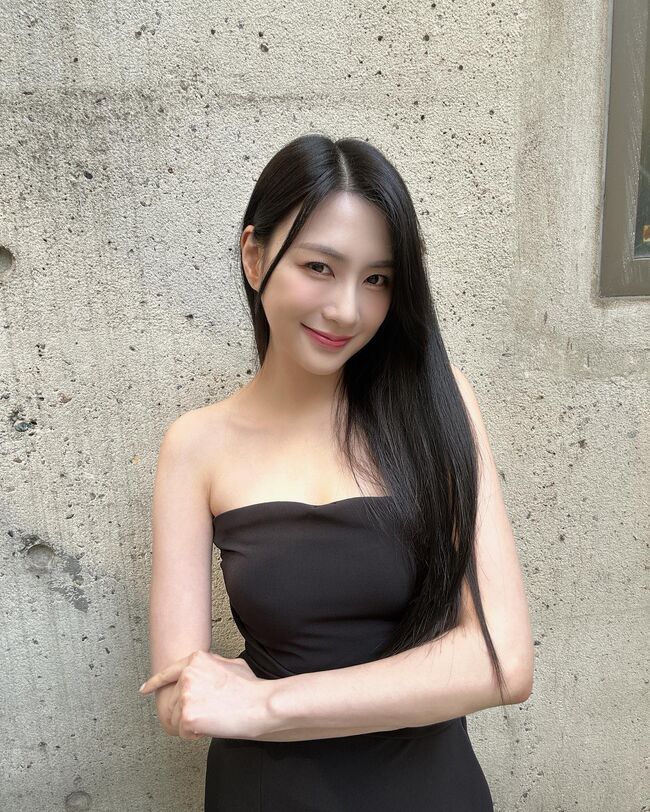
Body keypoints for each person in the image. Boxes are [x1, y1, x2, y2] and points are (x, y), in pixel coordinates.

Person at [140, 134, 534, 811]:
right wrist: (206, 700)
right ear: (254, 255)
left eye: (377, 279)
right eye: (320, 267)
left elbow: (504, 661)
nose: (347, 310)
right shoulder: (195, 445)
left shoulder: (439, 404)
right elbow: (184, 696)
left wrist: (266, 704)